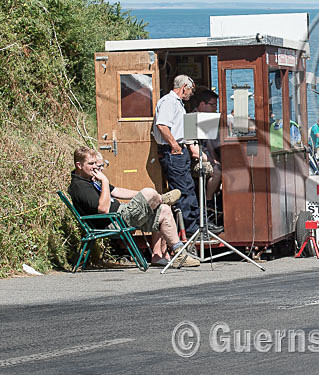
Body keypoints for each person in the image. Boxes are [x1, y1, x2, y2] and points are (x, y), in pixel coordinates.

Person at [68, 147, 200, 268]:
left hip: (121, 215)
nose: (95, 167)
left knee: (164, 209)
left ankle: (179, 253)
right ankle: (159, 198)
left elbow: (116, 191)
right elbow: (103, 209)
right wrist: (105, 181)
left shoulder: (91, 178)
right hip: (113, 221)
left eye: (96, 164)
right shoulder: (80, 186)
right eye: (91, 164)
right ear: (79, 165)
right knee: (149, 192)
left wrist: (140, 196)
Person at [153, 74, 202, 236]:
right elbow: (162, 125)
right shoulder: (168, 102)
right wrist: (174, 146)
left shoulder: (177, 103)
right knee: (182, 189)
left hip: (179, 150)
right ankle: (189, 228)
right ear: (184, 87)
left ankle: (193, 223)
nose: (191, 94)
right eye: (191, 90)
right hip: (173, 151)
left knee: (188, 186)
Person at [192, 89, 223, 201]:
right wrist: (211, 161)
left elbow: (209, 143)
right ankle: (208, 201)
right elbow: (194, 150)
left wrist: (215, 159)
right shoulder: (192, 119)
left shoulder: (207, 119)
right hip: (195, 160)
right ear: (202, 104)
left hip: (206, 156)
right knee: (217, 170)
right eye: (213, 105)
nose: (215, 109)